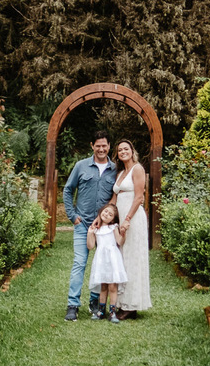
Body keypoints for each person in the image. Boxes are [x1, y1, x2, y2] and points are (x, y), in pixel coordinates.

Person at [61, 130, 117, 321]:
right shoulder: (81, 166)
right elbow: (68, 190)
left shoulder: (115, 169)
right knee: (79, 263)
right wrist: (72, 216)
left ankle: (96, 303)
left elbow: (117, 196)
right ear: (92, 146)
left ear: (109, 146)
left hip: (104, 227)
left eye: (105, 145)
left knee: (102, 264)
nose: (101, 149)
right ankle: (73, 305)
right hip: (83, 224)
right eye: (98, 145)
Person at [112, 138, 152, 319]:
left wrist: (127, 219)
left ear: (132, 150)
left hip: (134, 220)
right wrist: (103, 217)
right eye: (120, 150)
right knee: (122, 259)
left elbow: (139, 197)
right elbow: (115, 199)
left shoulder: (138, 169)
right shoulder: (121, 173)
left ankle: (132, 304)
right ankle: (121, 302)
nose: (123, 152)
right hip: (121, 220)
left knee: (133, 259)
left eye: (126, 149)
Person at [86, 203, 128, 323]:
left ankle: (113, 312)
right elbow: (90, 246)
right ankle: (101, 311)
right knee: (103, 286)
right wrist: (90, 232)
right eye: (105, 211)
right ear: (101, 211)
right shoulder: (96, 229)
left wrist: (123, 234)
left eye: (110, 214)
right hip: (101, 260)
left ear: (113, 219)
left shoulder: (113, 227)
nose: (106, 215)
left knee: (112, 286)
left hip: (112, 259)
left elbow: (119, 241)